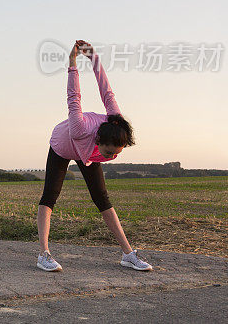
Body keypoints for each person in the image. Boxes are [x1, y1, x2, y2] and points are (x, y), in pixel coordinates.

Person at [36, 40, 152, 272]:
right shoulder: (80, 128)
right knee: (50, 196)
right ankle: (44, 255)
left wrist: (93, 58)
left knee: (102, 199)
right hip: (63, 144)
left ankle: (128, 254)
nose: (113, 157)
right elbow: (73, 96)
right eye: (110, 152)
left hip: (87, 154)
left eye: (117, 153)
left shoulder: (115, 122)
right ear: (99, 141)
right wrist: (73, 63)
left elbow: (106, 89)